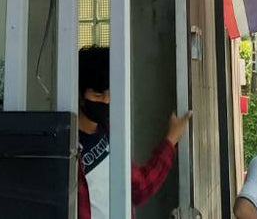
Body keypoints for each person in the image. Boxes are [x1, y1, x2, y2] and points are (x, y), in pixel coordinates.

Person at [76, 45, 191, 219]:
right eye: (98, 95)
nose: (106, 100)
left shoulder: (109, 133)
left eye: (110, 93)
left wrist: (171, 139)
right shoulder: (68, 151)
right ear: (80, 95)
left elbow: (139, 189)